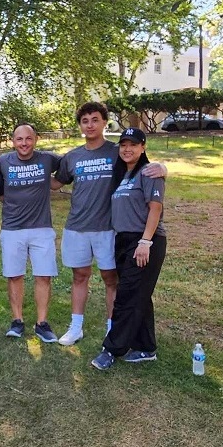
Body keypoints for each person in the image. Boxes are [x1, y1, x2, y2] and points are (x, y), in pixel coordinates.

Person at [52, 102, 167, 346]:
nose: (90, 125)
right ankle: (76, 327)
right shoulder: (72, 157)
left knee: (111, 279)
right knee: (79, 276)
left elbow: (146, 166)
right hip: (77, 228)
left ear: (105, 122)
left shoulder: (118, 151)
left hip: (108, 229)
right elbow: (55, 183)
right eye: (85, 121)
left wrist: (164, 167)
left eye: (95, 119)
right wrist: (22, 179)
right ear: (80, 126)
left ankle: (111, 328)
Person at [91, 128, 167, 370]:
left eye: (133, 144)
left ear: (143, 146)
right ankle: (146, 348)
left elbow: (155, 208)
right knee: (139, 295)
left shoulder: (149, 171)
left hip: (145, 241)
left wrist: (145, 242)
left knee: (126, 297)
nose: (127, 149)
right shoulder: (122, 174)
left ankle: (112, 349)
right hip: (123, 240)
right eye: (123, 144)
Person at [0, 123, 61, 343]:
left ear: (36, 139)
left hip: (41, 227)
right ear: (13, 141)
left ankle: (42, 323)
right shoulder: (3, 162)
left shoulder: (48, 159)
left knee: (43, 275)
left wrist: (53, 184)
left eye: (28, 139)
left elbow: (71, 167)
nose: (24, 143)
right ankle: (17, 321)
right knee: (15, 275)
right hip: (13, 228)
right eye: (19, 139)